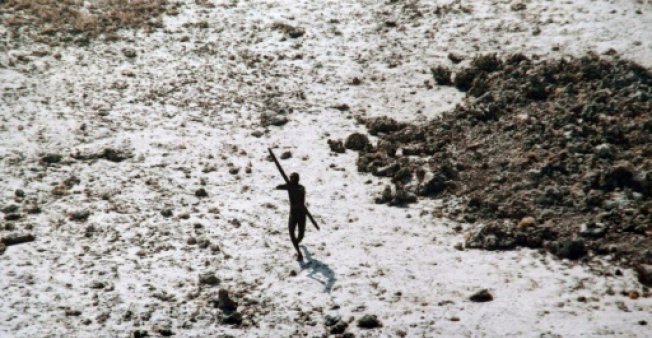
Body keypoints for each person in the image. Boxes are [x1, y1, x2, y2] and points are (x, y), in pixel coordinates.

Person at [275, 172, 307, 261]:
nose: (290, 180)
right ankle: (299, 253)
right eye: (290, 178)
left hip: (301, 214)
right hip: (293, 214)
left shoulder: (301, 188)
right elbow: (278, 187)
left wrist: (291, 188)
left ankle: (296, 243)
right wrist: (286, 186)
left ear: (297, 180)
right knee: (291, 233)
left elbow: (300, 194)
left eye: (292, 178)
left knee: (301, 235)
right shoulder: (289, 187)